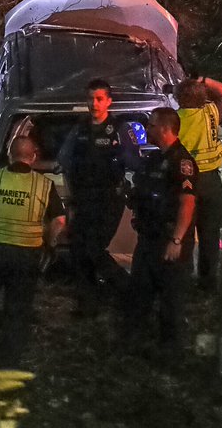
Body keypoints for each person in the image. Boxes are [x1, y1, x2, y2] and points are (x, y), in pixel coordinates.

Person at [0, 136, 65, 367]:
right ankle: (6, 361)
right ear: (34, 157)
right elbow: (59, 220)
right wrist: (48, 243)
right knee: (17, 311)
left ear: (9, 155)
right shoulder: (44, 185)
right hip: (25, 256)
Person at [57, 77, 140, 317]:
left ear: (109, 102)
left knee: (93, 249)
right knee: (78, 251)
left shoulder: (120, 129)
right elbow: (64, 160)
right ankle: (88, 304)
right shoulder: (79, 128)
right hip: (83, 199)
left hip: (108, 199)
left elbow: (133, 161)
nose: (94, 103)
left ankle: (128, 291)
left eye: (99, 99)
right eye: (91, 99)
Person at [126, 106, 198, 353]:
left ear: (166, 128)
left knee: (171, 301)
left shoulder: (182, 161)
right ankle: (134, 347)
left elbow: (187, 203)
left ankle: (172, 354)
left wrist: (176, 240)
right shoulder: (156, 158)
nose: (147, 129)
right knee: (139, 294)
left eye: (152, 125)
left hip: (168, 241)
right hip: (148, 239)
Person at [176, 75, 222, 291]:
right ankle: (208, 283)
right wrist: (205, 80)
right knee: (209, 234)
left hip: (186, 182)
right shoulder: (211, 113)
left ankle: (184, 280)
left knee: (185, 233)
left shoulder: (175, 118)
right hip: (211, 182)